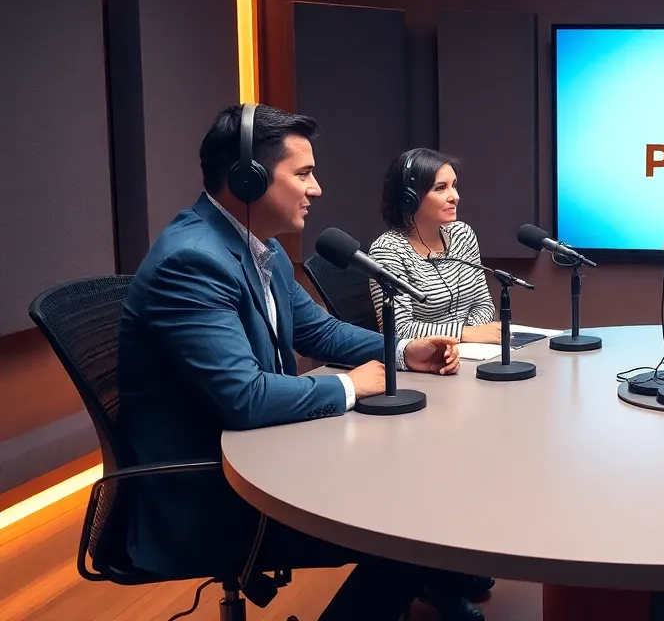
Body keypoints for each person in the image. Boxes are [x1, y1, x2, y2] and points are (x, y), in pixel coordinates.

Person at [118, 104, 484, 621]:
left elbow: (322, 331)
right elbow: (244, 398)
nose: (317, 189)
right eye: (304, 174)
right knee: (407, 522)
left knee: (422, 482)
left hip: (259, 455)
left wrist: (403, 352)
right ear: (247, 178)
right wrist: (352, 388)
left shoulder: (255, 248)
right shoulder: (192, 260)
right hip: (207, 491)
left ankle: (437, 584)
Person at [369, 149, 499, 344]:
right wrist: (462, 335)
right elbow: (398, 328)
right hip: (423, 362)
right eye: (440, 188)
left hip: (470, 352)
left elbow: (483, 303)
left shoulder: (462, 234)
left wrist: (469, 340)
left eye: (454, 186)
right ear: (409, 198)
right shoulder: (388, 251)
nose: (455, 196)